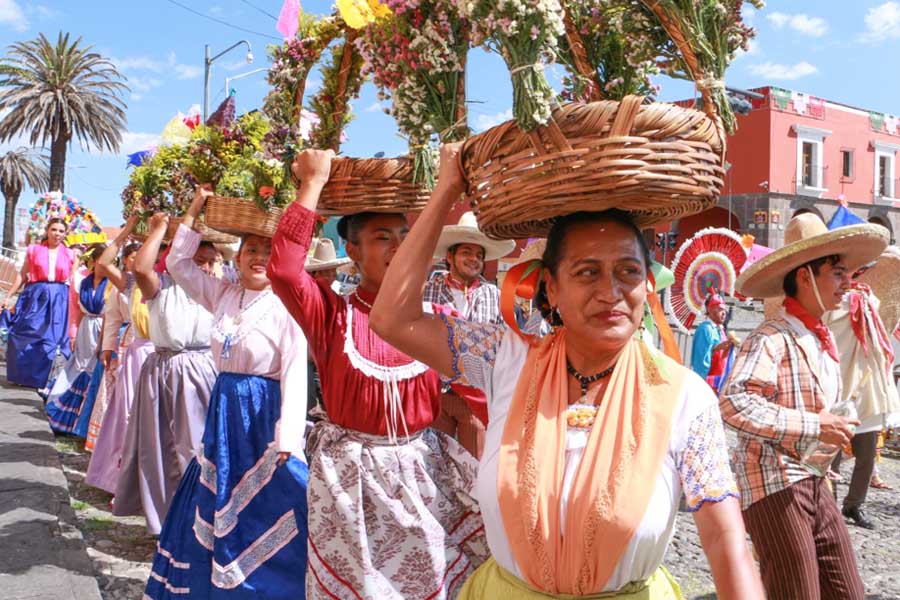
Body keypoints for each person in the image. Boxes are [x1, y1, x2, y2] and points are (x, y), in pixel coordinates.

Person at [370, 143, 762, 599]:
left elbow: (723, 536)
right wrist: (446, 191)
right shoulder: (507, 361)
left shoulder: (684, 397)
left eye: (628, 271)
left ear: (647, 284)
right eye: (587, 272)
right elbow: (393, 319)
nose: (611, 291)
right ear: (551, 288)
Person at [268, 148, 487, 599]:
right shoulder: (332, 317)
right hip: (352, 484)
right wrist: (312, 182)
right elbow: (286, 271)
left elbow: (485, 393)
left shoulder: (438, 319)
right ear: (353, 251)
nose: (399, 247)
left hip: (423, 473)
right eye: (382, 237)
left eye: (405, 235)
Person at [145, 187, 310, 599]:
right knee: (215, 492)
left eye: (267, 250)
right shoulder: (224, 295)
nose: (257, 257)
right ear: (237, 257)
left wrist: (288, 438)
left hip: (262, 415)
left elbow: (294, 372)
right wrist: (195, 208)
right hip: (224, 413)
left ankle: (266, 585)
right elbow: (178, 264)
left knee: (270, 497)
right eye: (250, 249)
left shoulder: (287, 306)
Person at [721, 212, 887, 599]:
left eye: (849, 274)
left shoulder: (816, 336)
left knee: (847, 590)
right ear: (804, 276)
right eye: (838, 273)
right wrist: (815, 425)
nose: (848, 284)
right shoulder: (771, 337)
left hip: (813, 480)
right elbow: (734, 402)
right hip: (774, 485)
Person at [113, 213, 218, 535]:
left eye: (211, 261)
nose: (205, 267)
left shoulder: (218, 290)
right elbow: (141, 268)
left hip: (203, 371)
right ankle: (167, 522)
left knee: (198, 449)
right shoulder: (163, 287)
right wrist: (159, 228)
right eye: (199, 260)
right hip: (162, 372)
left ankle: (202, 521)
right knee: (160, 449)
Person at [423, 212, 515, 458]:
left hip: (477, 398)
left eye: (479, 255)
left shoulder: (494, 296)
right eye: (466, 252)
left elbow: (506, 345)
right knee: (436, 465)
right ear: (449, 256)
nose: (474, 259)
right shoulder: (427, 291)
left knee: (476, 465)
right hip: (435, 395)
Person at [826, 248, 900, 529]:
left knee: (867, 455)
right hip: (842, 385)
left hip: (867, 389)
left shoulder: (868, 299)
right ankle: (828, 505)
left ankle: (854, 505)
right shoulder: (835, 304)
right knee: (831, 453)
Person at [86, 219, 153, 495]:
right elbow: (103, 263)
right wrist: (132, 226)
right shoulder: (131, 285)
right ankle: (123, 483)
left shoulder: (178, 283)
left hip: (166, 358)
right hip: (136, 353)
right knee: (128, 417)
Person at [2, 218, 76, 388]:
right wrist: (9, 296)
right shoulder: (34, 250)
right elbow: (22, 274)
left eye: (61, 231)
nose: (57, 234)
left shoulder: (71, 255)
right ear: (47, 230)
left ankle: (44, 379)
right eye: (54, 229)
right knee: (26, 333)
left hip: (59, 297)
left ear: (65, 234)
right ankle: (22, 375)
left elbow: (73, 281)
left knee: (52, 338)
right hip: (35, 295)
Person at [44, 244, 109, 435]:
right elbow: (76, 311)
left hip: (102, 329)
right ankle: (66, 413)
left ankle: (85, 418)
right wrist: (73, 333)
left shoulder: (111, 285)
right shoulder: (83, 282)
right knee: (78, 366)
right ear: (95, 261)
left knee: (92, 369)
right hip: (85, 329)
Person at [690, 293, 736, 391]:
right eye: (719, 309)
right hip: (709, 383)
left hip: (721, 381)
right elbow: (701, 361)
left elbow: (722, 358)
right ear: (710, 310)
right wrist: (716, 348)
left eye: (724, 309)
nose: (724, 312)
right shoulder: (705, 329)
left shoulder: (720, 329)